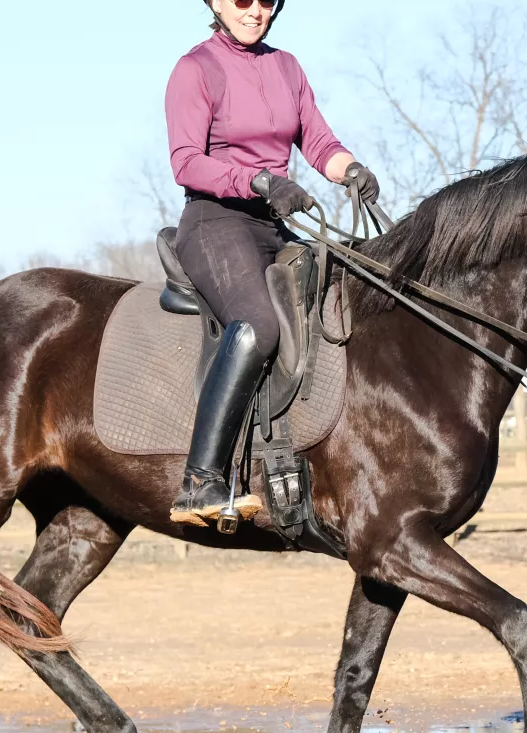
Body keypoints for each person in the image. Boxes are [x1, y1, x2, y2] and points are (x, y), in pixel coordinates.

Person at [166, 0, 380, 529]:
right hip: (215, 222)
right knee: (260, 323)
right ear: (215, 3)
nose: (255, 10)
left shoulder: (287, 66)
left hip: (272, 222)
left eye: (266, 1)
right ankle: (200, 480)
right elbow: (186, 160)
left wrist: (350, 168)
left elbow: (318, 140)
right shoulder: (195, 69)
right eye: (243, 0)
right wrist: (258, 181)